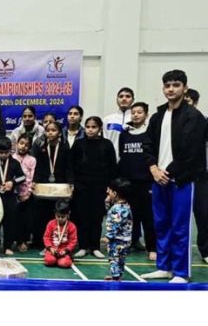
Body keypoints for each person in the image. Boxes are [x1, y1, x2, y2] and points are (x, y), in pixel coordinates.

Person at [142, 70, 207, 283]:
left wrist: (166, 173)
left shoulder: (194, 117)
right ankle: (165, 266)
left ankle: (180, 272)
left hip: (182, 180)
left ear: (185, 88)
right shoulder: (158, 116)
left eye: (176, 85)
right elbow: (147, 145)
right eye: (167, 85)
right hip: (158, 178)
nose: (171, 89)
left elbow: (192, 152)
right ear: (163, 88)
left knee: (180, 226)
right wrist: (153, 168)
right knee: (161, 223)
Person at [70, 116, 118, 259]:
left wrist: (111, 187)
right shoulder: (78, 144)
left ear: (99, 128)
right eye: (88, 127)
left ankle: (95, 246)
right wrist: (73, 183)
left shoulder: (107, 144)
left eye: (94, 127)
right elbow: (71, 165)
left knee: (96, 217)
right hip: (81, 186)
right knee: (83, 216)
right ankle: (83, 246)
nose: (90, 130)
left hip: (100, 187)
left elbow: (112, 167)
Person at [118, 102, 157, 259]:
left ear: (146, 115)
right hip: (129, 182)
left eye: (139, 112)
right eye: (133, 112)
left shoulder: (150, 133)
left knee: (148, 216)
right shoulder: (124, 134)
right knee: (129, 216)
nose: (135, 115)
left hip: (146, 181)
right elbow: (122, 156)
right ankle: (130, 243)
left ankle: (152, 247)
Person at [32, 121, 73, 250]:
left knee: (55, 214)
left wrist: (71, 182)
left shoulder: (65, 148)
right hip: (44, 185)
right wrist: (34, 181)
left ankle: (59, 242)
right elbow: (37, 167)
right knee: (42, 215)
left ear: (59, 132)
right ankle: (42, 243)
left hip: (60, 186)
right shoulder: (41, 147)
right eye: (48, 130)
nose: (50, 133)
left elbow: (69, 167)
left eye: (53, 130)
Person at [0, 137, 25, 255]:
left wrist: (13, 182)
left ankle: (8, 246)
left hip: (9, 197)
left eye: (6, 153)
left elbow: (22, 177)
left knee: (9, 223)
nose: (3, 155)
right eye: (0, 152)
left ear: (10, 151)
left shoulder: (14, 163)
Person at [184, 93, 208, 265]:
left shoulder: (203, 121)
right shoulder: (171, 122)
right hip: (184, 175)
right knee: (191, 215)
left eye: (189, 102)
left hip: (202, 175)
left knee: (204, 213)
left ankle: (205, 249)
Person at [101, 178, 133, 281]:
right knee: (121, 259)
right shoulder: (126, 206)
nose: (107, 192)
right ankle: (118, 275)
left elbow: (115, 223)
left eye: (109, 190)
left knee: (114, 258)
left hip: (117, 240)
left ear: (115, 193)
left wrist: (108, 237)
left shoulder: (117, 209)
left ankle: (115, 277)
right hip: (126, 239)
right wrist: (107, 202)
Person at [13, 135, 36, 252]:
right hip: (13, 193)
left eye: (26, 145)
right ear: (16, 144)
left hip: (27, 194)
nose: (23, 146)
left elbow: (32, 178)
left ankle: (24, 240)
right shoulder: (12, 158)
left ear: (29, 147)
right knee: (15, 219)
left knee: (26, 219)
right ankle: (16, 241)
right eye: (21, 143)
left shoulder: (32, 160)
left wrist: (28, 193)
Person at [42, 199, 78, 269]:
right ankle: (54, 259)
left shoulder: (72, 226)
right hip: (52, 250)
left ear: (68, 214)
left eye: (63, 217)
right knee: (49, 261)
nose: (60, 219)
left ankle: (65, 259)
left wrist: (66, 250)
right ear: (55, 214)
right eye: (58, 216)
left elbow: (73, 241)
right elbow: (46, 237)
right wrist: (50, 248)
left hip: (64, 251)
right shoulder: (51, 224)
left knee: (64, 263)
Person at [103, 87, 135, 160]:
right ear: (117, 99)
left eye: (128, 96)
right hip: (111, 161)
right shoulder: (107, 120)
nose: (124, 99)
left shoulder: (138, 120)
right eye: (121, 96)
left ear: (133, 100)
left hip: (131, 161)